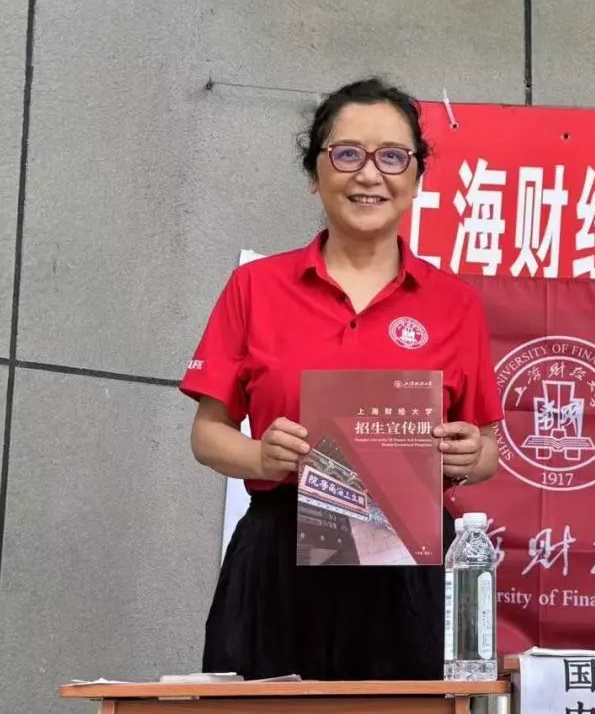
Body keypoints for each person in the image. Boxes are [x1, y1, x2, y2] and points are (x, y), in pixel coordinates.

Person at [179, 77, 503, 681]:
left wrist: (469, 453)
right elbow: (207, 434)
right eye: (347, 153)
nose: (369, 174)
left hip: (408, 565)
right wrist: (260, 455)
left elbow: (487, 449)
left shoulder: (454, 304)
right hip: (277, 557)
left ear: (417, 177)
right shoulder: (256, 287)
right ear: (315, 173)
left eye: (393, 156)